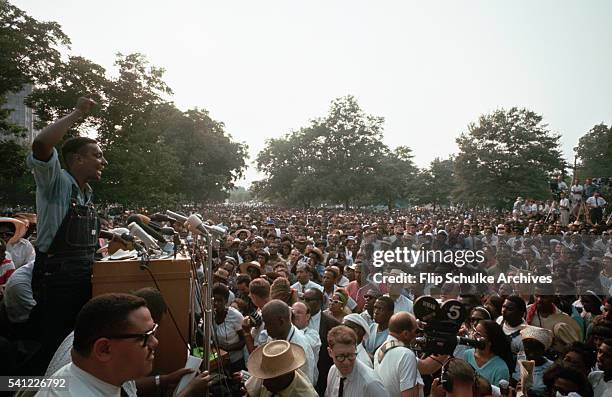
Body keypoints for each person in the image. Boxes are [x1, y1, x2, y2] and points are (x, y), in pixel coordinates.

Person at [27, 97, 108, 367]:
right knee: (53, 345)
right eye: (97, 155)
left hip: (81, 280)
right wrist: (77, 113)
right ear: (76, 159)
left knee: (74, 346)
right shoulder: (55, 182)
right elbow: (41, 144)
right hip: (57, 282)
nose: (103, 161)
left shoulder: (86, 193)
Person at [38, 293, 211, 397]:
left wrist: (165, 380)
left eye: (155, 331)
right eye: (146, 336)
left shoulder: (100, 371)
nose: (155, 342)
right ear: (104, 349)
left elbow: (130, 388)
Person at [261, 299, 316, 384]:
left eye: (268, 323)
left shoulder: (300, 348)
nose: (265, 328)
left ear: (281, 322)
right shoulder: (274, 336)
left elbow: (306, 385)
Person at [325, 325, 388, 397]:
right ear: (330, 352)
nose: (346, 362)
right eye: (341, 357)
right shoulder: (333, 372)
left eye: (351, 355)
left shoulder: (370, 383)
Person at [373, 312, 423, 397]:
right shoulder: (406, 355)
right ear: (406, 334)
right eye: (416, 331)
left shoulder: (380, 350)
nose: (417, 335)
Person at [244, 340, 317, 397]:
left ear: (286, 375)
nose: (264, 383)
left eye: (271, 379)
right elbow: (249, 393)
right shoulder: (266, 370)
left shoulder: (304, 394)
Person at [304, 287, 341, 395]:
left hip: (322, 377)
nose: (305, 303)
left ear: (319, 302)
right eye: (304, 299)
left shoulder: (332, 324)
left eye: (309, 300)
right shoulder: (296, 319)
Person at [462, 320, 512, 387]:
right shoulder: (467, 355)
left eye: (478, 334)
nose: (473, 335)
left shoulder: (501, 368)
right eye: (474, 331)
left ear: (490, 341)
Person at [212, 283, 246, 372]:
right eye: (214, 300)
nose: (216, 303)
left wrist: (227, 348)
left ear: (226, 301)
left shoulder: (236, 316)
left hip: (236, 362)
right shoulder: (210, 315)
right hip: (219, 361)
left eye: (220, 300)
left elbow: (244, 340)